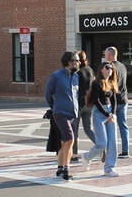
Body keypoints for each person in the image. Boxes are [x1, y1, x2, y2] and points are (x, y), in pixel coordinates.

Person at [45, 51, 81, 180]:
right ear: (69, 62)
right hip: (60, 113)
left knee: (64, 142)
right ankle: (66, 169)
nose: (79, 63)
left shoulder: (76, 76)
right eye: (77, 61)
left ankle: (60, 168)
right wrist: (54, 107)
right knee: (70, 138)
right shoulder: (56, 76)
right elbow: (48, 94)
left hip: (73, 113)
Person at [81, 61, 120, 176]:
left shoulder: (112, 82)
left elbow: (114, 100)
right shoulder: (96, 83)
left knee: (112, 142)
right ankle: (87, 157)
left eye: (111, 68)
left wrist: (112, 113)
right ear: (101, 69)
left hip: (110, 113)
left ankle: (109, 168)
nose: (109, 70)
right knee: (102, 143)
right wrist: (107, 114)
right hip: (99, 113)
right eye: (107, 68)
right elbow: (96, 101)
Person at [105, 46, 130, 158]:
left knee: (109, 127)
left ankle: (109, 152)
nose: (105, 56)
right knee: (123, 126)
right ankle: (126, 151)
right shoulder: (122, 66)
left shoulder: (110, 67)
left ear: (109, 55)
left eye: (105, 54)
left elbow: (110, 85)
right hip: (124, 99)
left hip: (114, 101)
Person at [74, 49, 96, 162]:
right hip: (89, 103)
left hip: (79, 103)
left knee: (74, 130)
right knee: (88, 128)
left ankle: (74, 154)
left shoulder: (77, 72)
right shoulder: (90, 70)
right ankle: (100, 146)